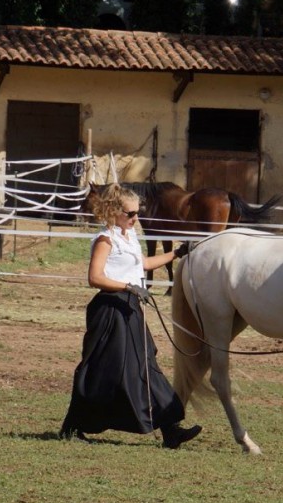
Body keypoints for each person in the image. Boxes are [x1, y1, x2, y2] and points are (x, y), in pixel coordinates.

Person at [59, 183, 202, 449]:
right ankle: (73, 425)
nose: (136, 219)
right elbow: (95, 277)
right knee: (101, 368)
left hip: (131, 308)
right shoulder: (106, 240)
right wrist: (128, 286)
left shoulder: (129, 237)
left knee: (146, 363)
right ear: (114, 211)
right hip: (110, 309)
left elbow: (143, 264)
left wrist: (178, 253)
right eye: (130, 214)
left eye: (137, 213)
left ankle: (170, 429)